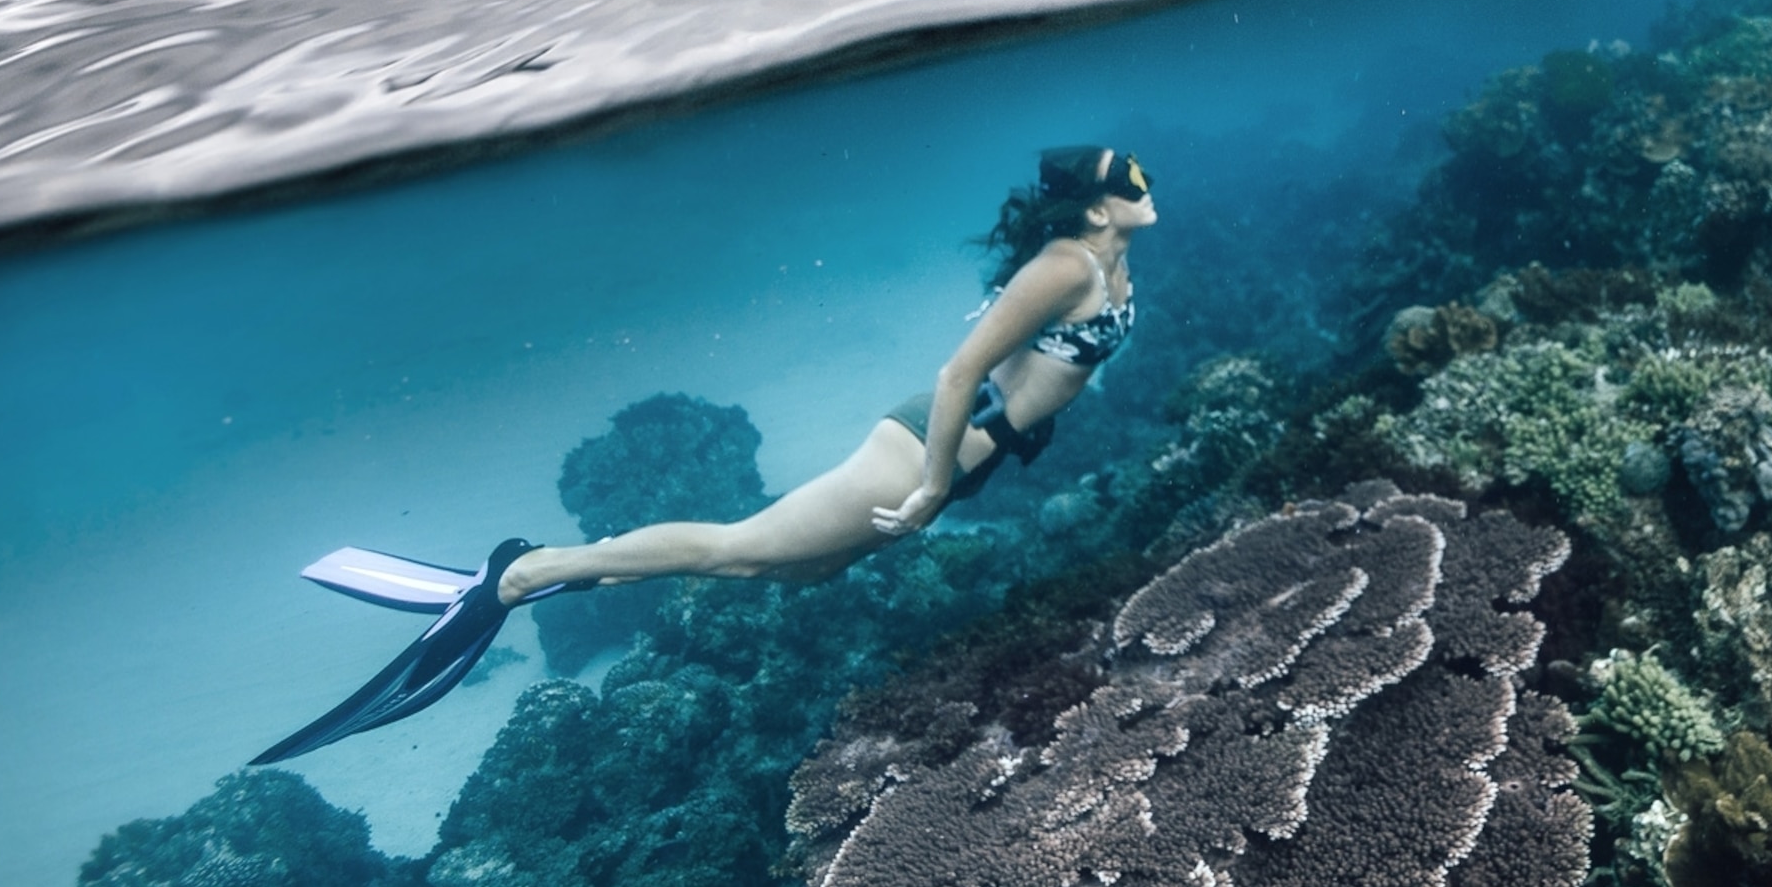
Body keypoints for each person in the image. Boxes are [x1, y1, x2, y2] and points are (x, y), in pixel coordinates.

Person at [251, 145, 1153, 763]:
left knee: (798, 574)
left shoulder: (1105, 261)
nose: (1147, 185)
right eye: (1130, 177)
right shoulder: (1069, 265)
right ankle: (524, 575)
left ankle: (580, 575)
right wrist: (928, 486)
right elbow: (960, 374)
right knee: (741, 547)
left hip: (975, 456)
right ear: (1095, 203)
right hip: (934, 445)